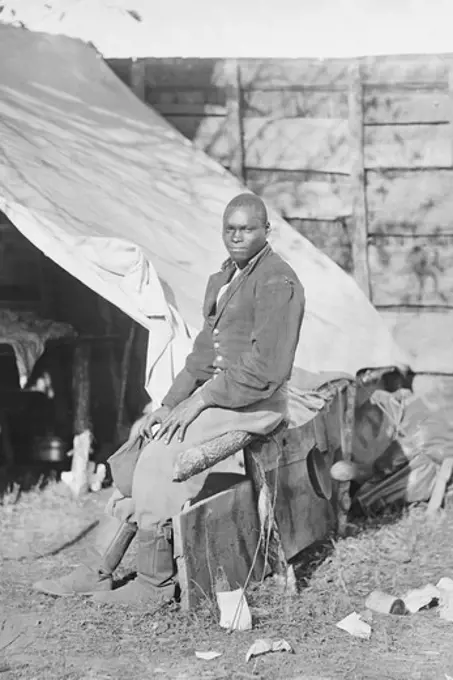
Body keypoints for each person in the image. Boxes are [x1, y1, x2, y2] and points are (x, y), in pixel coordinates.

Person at [33, 193, 305, 607]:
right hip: (221, 397)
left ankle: (153, 584)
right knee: (142, 446)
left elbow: (267, 369)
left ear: (267, 231)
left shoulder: (277, 281)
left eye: (247, 228)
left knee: (162, 458)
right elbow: (200, 355)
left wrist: (198, 403)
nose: (237, 236)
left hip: (256, 404)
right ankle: (97, 570)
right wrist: (166, 405)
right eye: (229, 229)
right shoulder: (226, 276)